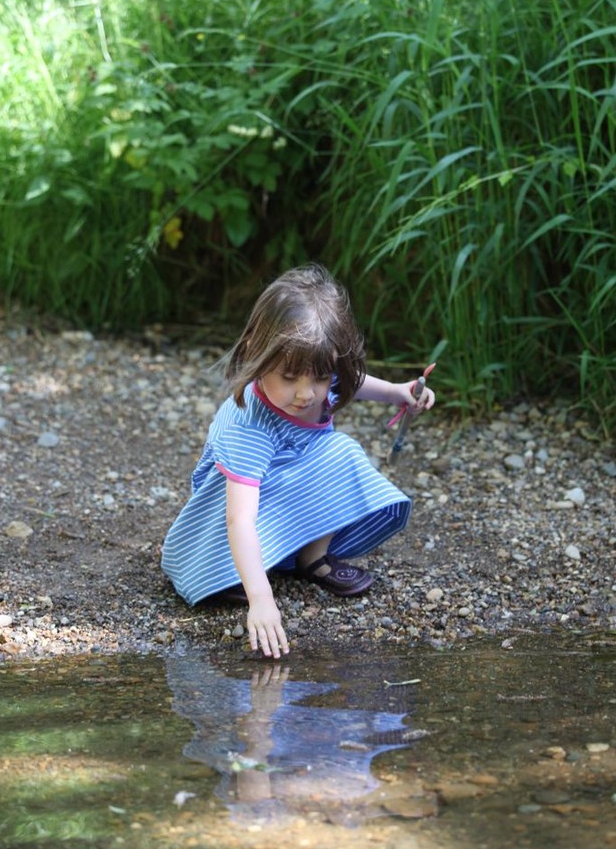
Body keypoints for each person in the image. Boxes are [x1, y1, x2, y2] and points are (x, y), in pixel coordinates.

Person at [161, 264, 435, 659]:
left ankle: (311, 558)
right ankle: (242, 574)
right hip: (224, 528)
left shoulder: (320, 378)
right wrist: (261, 599)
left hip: (277, 499)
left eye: (320, 377)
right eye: (290, 377)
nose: (306, 394)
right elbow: (239, 519)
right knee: (233, 556)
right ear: (259, 350)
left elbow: (351, 383)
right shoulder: (249, 425)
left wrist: (399, 391)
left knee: (341, 452)